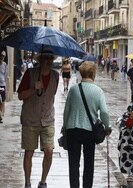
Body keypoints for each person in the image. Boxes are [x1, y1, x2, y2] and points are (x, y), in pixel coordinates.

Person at [63, 61, 112, 188]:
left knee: (73, 163)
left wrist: (64, 128)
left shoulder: (73, 90)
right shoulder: (98, 91)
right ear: (93, 73)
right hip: (89, 131)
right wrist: (107, 127)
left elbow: (66, 111)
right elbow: (105, 112)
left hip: (73, 129)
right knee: (89, 163)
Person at [17, 46, 59, 188]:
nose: (48, 60)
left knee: (49, 151)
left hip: (48, 119)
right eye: (45, 58)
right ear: (39, 59)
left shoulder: (56, 76)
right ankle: (27, 182)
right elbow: (21, 96)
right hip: (30, 119)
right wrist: (33, 89)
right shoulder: (30, 73)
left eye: (50, 58)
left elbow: (50, 96)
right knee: (29, 152)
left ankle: (43, 181)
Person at [0, 51, 9, 123]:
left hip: (2, 84)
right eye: (1, 56)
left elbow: (6, 76)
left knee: (2, 99)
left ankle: (2, 112)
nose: (1, 57)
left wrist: (7, 87)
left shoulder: (5, 65)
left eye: (3, 56)